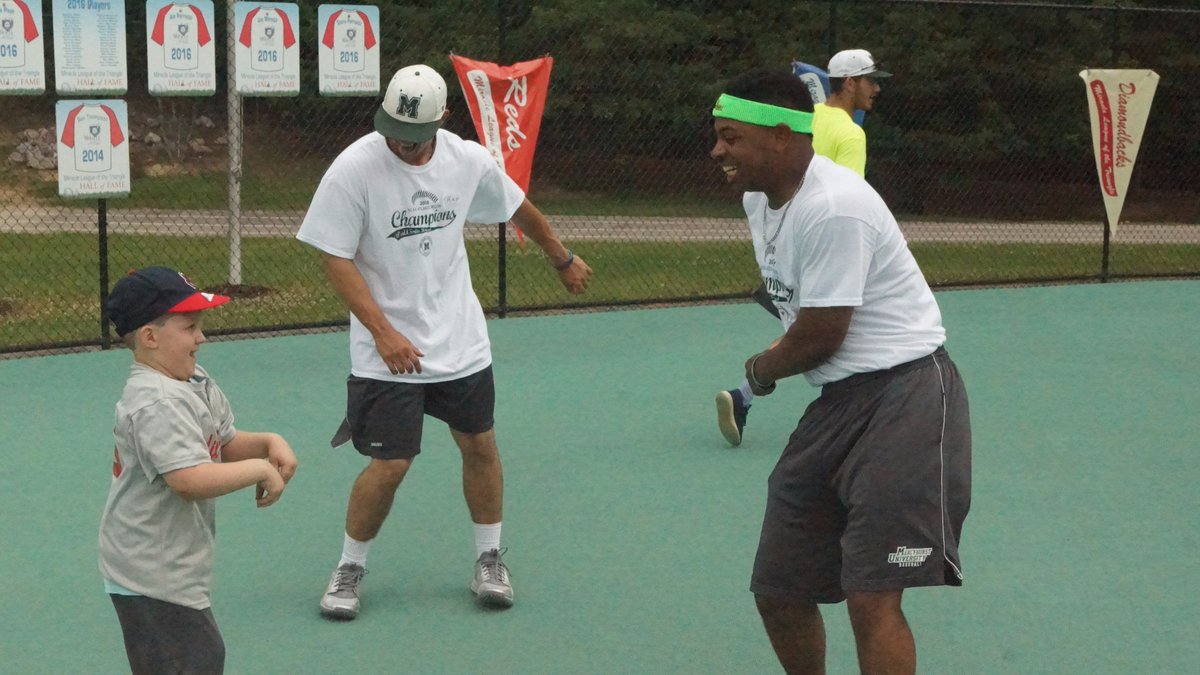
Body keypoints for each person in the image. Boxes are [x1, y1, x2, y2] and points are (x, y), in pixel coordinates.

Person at [297, 64, 592, 620]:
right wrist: (383, 333)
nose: (403, 146)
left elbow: (516, 205)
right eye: (394, 133)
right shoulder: (353, 170)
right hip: (388, 353)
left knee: (480, 445)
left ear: (442, 122)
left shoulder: (467, 160)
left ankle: (489, 560)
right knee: (391, 465)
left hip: (460, 342)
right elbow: (333, 256)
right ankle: (349, 567)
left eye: (414, 137)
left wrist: (561, 256)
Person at [710, 69, 971, 674]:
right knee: (780, 589)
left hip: (907, 396)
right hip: (839, 401)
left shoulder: (834, 206)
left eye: (730, 136)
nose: (717, 150)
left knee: (870, 596)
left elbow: (824, 335)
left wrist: (760, 369)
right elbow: (800, 304)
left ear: (780, 136)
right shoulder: (760, 200)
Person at [99, 266, 298, 675]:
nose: (201, 337)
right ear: (150, 337)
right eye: (189, 327)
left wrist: (266, 442)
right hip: (149, 569)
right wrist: (260, 468)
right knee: (195, 661)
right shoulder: (156, 401)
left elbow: (221, 445)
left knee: (198, 659)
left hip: (172, 562)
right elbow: (188, 480)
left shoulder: (192, 381)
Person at [715, 48, 891, 447]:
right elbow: (845, 201)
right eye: (870, 80)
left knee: (805, 328)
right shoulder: (850, 132)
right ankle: (746, 391)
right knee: (817, 329)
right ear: (850, 83)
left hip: (791, 246)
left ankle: (743, 394)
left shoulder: (812, 115)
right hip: (826, 244)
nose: (876, 88)